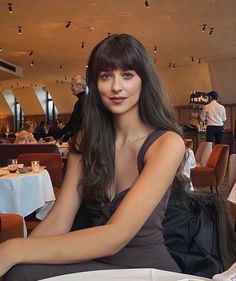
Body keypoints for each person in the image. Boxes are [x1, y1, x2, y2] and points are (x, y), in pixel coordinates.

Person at [0, 34, 186, 281]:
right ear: (95, 84)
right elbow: (59, 220)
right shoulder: (86, 140)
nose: (116, 86)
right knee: (18, 272)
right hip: (95, 264)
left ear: (144, 81)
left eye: (127, 75)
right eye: (106, 76)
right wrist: (17, 256)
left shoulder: (166, 143)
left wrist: (15, 249)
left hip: (146, 269)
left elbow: (115, 236)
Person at [55, 75, 87, 141]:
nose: (71, 88)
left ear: (79, 85)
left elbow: (73, 123)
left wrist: (56, 136)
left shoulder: (82, 101)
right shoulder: (85, 100)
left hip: (82, 140)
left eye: (72, 85)